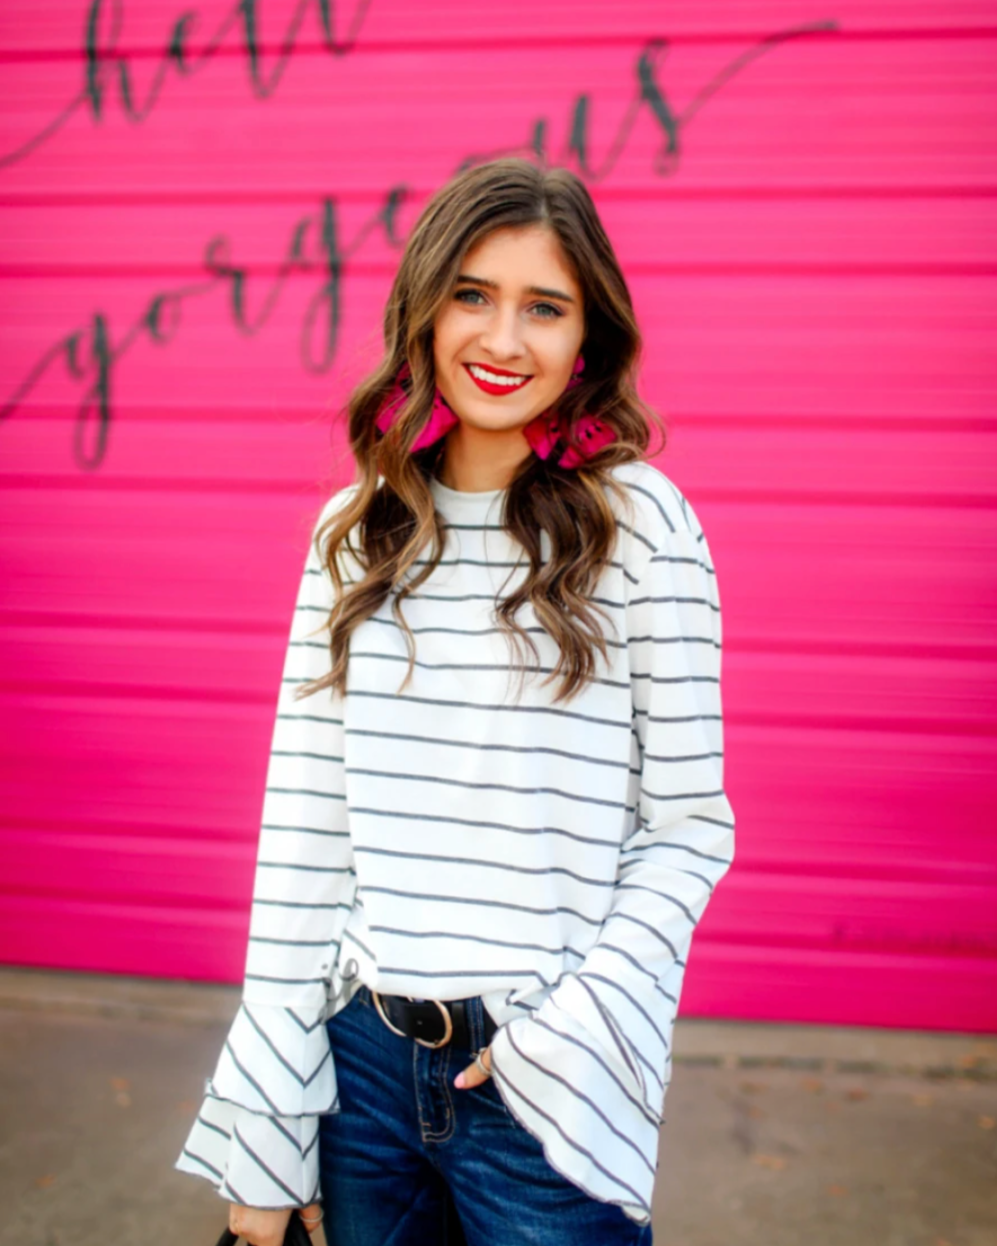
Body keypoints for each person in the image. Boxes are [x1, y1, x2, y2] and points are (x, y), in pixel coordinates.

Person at [176, 157, 735, 1246]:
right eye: (473, 294)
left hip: (546, 1088)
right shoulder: (357, 531)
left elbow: (686, 829)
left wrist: (571, 1034)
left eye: (545, 306)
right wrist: (266, 1120)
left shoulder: (643, 529)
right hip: (362, 1077)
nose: (503, 339)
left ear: (588, 339)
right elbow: (303, 841)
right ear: (425, 308)